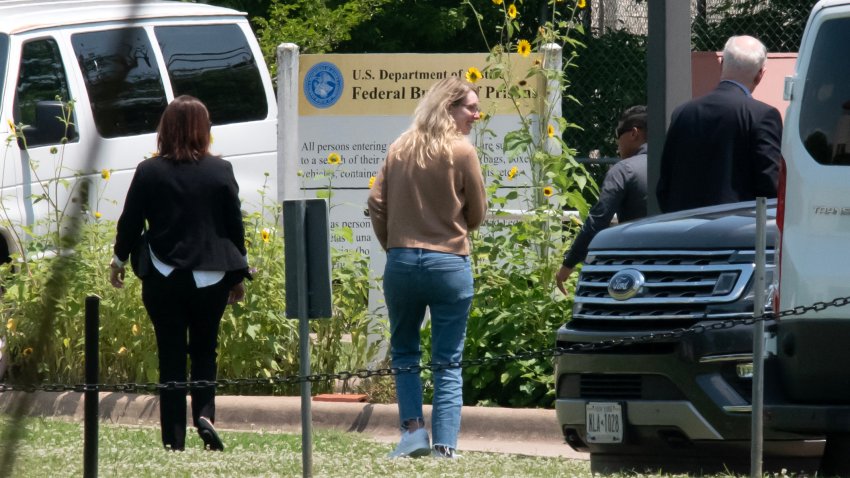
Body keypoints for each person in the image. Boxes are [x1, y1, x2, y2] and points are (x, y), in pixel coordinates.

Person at [109, 95, 250, 451]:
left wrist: (119, 260)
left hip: (163, 274)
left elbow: (129, 222)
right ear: (204, 131)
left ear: (165, 129)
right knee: (205, 350)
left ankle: (173, 439)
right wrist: (237, 275)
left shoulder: (149, 171)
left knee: (170, 354)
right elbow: (234, 227)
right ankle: (205, 417)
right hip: (212, 277)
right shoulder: (221, 170)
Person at [367, 76, 487, 459]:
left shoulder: (399, 146)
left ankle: (412, 432)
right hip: (449, 262)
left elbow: (376, 202)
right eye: (470, 107)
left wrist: (394, 244)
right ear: (448, 107)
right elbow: (478, 213)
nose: (476, 115)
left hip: (401, 261)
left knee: (404, 351)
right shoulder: (462, 151)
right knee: (447, 359)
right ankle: (446, 446)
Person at [656, 35, 782, 213]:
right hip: (737, 231)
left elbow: (664, 184)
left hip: (683, 229)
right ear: (760, 74)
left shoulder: (682, 113)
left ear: (722, 63)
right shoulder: (763, 116)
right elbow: (770, 183)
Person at [556, 105, 648, 295]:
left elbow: (598, 219)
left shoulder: (624, 170)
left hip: (637, 265)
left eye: (618, 134)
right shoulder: (677, 164)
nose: (616, 143)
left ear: (634, 133)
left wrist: (569, 264)